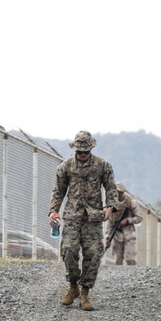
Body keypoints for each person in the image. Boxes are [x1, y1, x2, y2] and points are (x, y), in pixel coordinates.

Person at [48, 130, 119, 311]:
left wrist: (110, 206)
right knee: (69, 250)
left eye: (85, 152)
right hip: (72, 216)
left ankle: (85, 291)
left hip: (94, 217)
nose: (82, 155)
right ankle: (73, 286)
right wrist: (53, 212)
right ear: (75, 150)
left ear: (90, 150)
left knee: (94, 254)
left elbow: (111, 188)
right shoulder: (66, 167)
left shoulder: (103, 166)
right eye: (79, 152)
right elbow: (58, 191)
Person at [108, 182, 144, 265]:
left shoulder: (131, 203)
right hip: (117, 236)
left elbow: (139, 218)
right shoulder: (112, 205)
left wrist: (128, 220)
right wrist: (108, 238)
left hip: (129, 235)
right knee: (118, 261)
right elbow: (110, 222)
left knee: (130, 259)